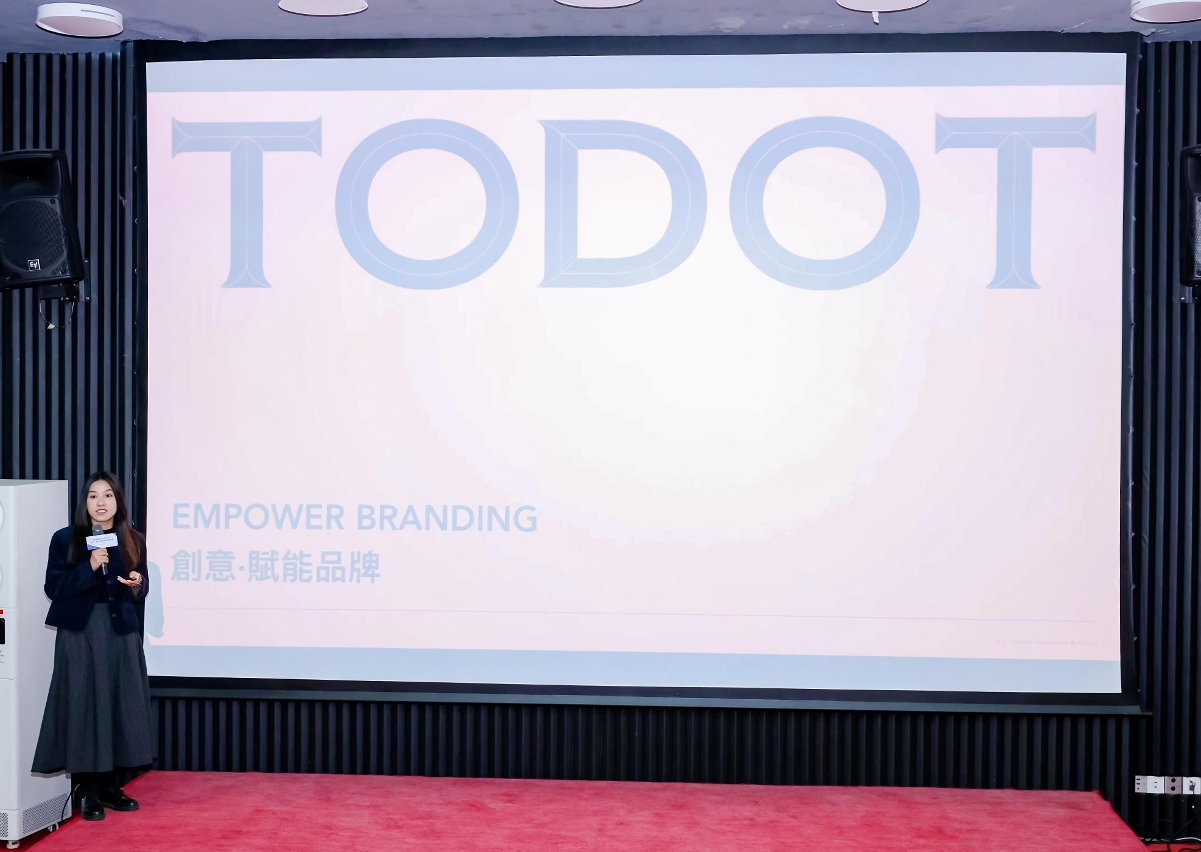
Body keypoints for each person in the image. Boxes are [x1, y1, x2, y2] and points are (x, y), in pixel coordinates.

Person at [31, 472, 155, 821]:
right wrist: (89, 566)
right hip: (81, 633)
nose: (101, 502)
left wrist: (137, 582)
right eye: (93, 496)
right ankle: (87, 791)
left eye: (108, 495)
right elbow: (54, 587)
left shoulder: (133, 539)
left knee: (117, 706)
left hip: (120, 633)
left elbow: (140, 589)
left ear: (118, 501)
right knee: (84, 706)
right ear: (84, 502)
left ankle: (110, 787)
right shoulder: (65, 539)